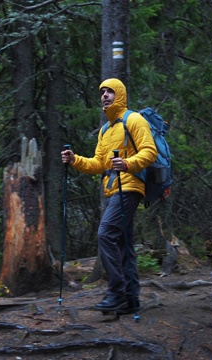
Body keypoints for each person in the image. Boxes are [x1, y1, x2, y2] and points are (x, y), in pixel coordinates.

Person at [61, 78, 157, 313]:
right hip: (114, 188)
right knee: (124, 245)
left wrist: (126, 163)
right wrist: (75, 160)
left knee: (105, 234)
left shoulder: (134, 120)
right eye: (102, 91)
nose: (104, 95)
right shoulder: (105, 129)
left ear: (120, 95)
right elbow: (98, 163)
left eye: (110, 91)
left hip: (130, 187)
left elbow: (150, 151)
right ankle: (131, 300)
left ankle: (116, 293)